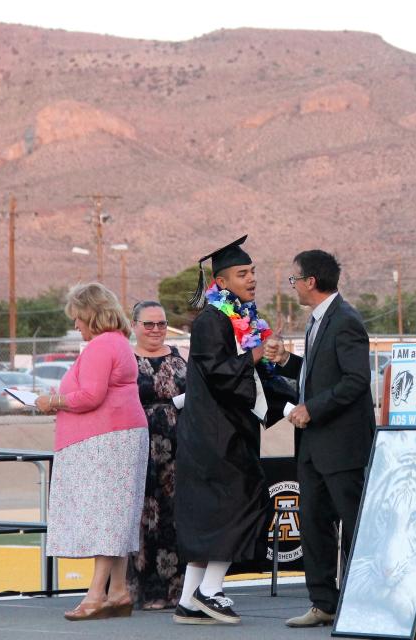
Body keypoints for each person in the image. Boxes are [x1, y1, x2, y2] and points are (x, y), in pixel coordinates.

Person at [172, 236, 291, 625]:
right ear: (221, 283)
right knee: (239, 503)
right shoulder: (211, 320)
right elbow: (222, 373)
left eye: (253, 271)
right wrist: (256, 353)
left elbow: (253, 376)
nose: (252, 278)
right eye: (242, 273)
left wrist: (286, 400)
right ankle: (212, 590)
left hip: (229, 429)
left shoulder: (242, 318)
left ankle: (190, 600)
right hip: (214, 434)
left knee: (213, 513)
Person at [264, 250, 376, 628]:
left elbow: (357, 381)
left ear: (311, 282)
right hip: (313, 445)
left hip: (342, 445)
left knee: (353, 525)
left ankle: (363, 602)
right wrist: (286, 362)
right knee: (314, 525)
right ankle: (323, 603)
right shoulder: (317, 321)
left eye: (294, 279)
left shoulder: (345, 320)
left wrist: (312, 408)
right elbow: (320, 375)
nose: (292, 286)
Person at [35, 283, 148, 622]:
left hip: (104, 439)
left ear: (91, 315)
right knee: (117, 514)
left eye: (78, 319)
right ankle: (117, 591)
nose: (76, 326)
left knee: (104, 516)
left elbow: (91, 396)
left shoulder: (101, 346)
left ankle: (96, 596)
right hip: (118, 435)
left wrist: (52, 402)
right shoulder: (119, 343)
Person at [125, 300, 187, 610]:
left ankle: (176, 591)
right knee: (140, 517)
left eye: (161, 323)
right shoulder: (125, 359)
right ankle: (143, 591)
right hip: (136, 447)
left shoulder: (178, 358)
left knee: (174, 516)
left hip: (176, 449)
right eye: (148, 324)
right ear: (134, 325)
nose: (155, 330)